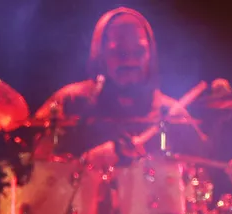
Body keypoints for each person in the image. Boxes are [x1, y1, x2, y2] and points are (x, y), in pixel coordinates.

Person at [30, 7, 199, 165]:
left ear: (150, 54)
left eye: (139, 52)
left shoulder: (170, 112)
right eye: (120, 53)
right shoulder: (70, 101)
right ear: (100, 54)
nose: (130, 61)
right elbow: (29, 155)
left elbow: (204, 160)